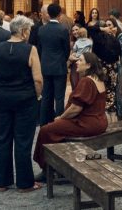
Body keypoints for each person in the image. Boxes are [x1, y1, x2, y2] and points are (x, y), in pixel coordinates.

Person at [0, 15, 43, 192]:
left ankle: (2, 181)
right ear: (24, 31)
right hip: (25, 99)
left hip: (1, 98)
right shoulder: (30, 49)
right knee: (23, 140)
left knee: (2, 139)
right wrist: (37, 96)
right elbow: (38, 79)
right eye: (29, 30)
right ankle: (25, 183)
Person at [33, 51, 108, 182]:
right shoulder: (97, 78)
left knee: (46, 130)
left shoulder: (87, 81)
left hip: (87, 123)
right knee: (55, 130)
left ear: (89, 65)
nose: (77, 62)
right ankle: (59, 167)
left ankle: (47, 170)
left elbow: (75, 108)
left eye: (80, 60)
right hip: (99, 121)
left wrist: (61, 117)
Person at [37, 3, 70, 125]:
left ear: (48, 14)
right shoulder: (63, 30)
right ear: (59, 14)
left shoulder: (42, 29)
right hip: (59, 66)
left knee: (46, 96)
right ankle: (58, 123)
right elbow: (66, 50)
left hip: (45, 66)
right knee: (59, 97)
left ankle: (43, 123)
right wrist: (63, 60)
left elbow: (40, 48)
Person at [87, 23, 121, 115]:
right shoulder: (114, 39)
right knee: (111, 92)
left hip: (100, 67)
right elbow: (119, 54)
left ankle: (99, 113)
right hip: (112, 68)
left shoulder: (97, 38)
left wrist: (102, 28)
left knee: (98, 91)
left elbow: (89, 28)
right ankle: (111, 115)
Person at [106, 18, 122, 119]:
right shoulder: (108, 37)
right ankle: (118, 116)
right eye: (106, 25)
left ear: (115, 26)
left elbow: (118, 49)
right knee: (113, 92)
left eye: (109, 25)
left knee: (121, 91)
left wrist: (112, 35)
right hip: (112, 68)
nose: (108, 27)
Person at [68, 25, 92, 90]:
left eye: (76, 29)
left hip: (85, 64)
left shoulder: (89, 41)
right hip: (75, 65)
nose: (75, 32)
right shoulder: (72, 43)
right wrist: (71, 57)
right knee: (75, 82)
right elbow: (70, 55)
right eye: (73, 30)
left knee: (85, 84)